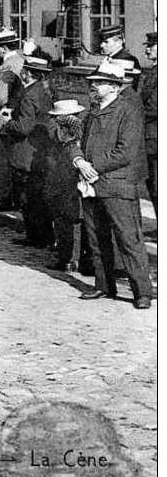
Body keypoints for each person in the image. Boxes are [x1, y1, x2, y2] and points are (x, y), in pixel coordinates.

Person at [72, 62, 152, 309]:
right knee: (96, 238)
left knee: (128, 239)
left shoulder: (128, 111)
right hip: (91, 184)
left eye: (100, 82)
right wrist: (78, 159)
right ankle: (104, 285)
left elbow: (125, 152)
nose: (94, 85)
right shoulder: (92, 111)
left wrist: (92, 165)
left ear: (115, 87)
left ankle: (142, 292)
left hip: (117, 185)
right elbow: (75, 140)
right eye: (93, 82)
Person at [0, 55, 54, 247]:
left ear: (27, 73)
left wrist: (7, 122)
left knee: (28, 197)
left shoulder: (29, 95)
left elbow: (23, 127)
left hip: (25, 150)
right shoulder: (42, 90)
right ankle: (44, 236)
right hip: (39, 148)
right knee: (37, 195)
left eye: (24, 70)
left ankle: (37, 237)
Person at [38, 99, 86, 272]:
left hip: (69, 188)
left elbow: (75, 155)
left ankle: (69, 259)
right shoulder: (62, 140)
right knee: (66, 223)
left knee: (69, 223)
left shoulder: (71, 140)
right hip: (61, 187)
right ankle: (68, 257)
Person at [0, 28, 25, 210]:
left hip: (2, 118)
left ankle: (5, 200)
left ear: (3, 48)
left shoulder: (8, 66)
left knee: (2, 161)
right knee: (15, 159)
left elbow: (1, 97)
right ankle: (16, 200)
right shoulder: (22, 60)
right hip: (18, 116)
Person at [140, 32, 156, 211]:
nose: (147, 50)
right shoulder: (153, 71)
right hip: (151, 137)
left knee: (157, 187)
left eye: (151, 46)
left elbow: (155, 107)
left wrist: (136, 115)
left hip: (155, 137)